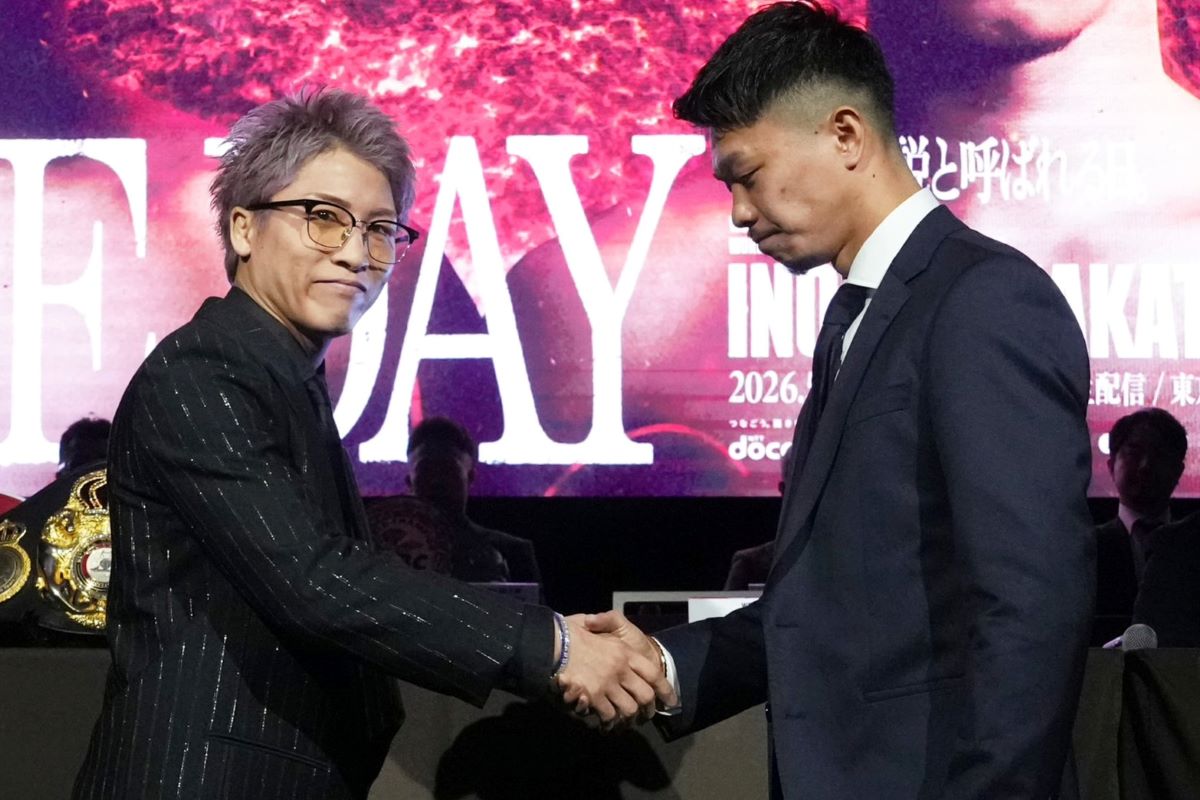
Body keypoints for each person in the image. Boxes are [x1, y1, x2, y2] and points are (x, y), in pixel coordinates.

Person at [71, 88, 671, 800]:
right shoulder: (206, 369)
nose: (358, 253)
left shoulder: (279, 373)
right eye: (323, 218)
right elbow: (314, 580)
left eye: (381, 229)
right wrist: (551, 646)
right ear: (242, 228)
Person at [585, 4, 1095, 797]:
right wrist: (664, 663)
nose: (739, 212)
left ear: (846, 136)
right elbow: (832, 606)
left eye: (748, 174)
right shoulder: (858, 318)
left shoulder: (983, 301)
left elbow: (1032, 604)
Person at [405, 416, 542, 584]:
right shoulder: (384, 554)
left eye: (448, 470)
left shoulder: (512, 553)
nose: (437, 481)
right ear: (409, 481)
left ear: (470, 478)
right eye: (427, 470)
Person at [1092, 407, 1187, 644]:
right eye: (1134, 453)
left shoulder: (1193, 545)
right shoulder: (1086, 547)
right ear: (1111, 466)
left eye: (1159, 455)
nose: (1145, 466)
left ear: (1179, 471)